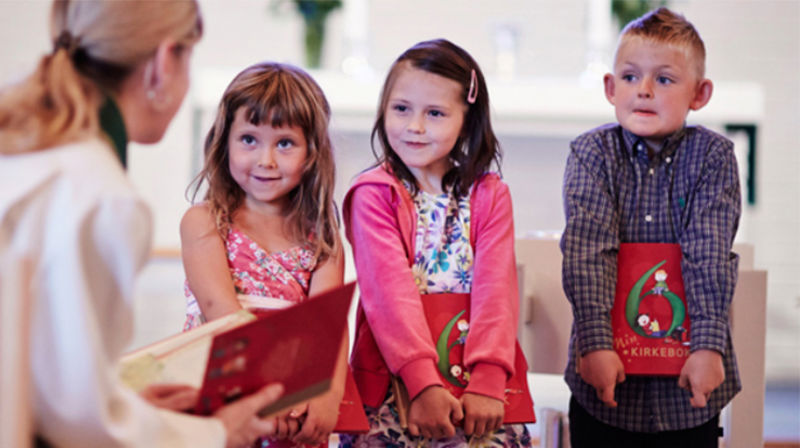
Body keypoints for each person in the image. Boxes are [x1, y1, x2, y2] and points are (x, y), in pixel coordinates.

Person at [0, 1, 285, 447]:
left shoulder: (32, 146)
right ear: (163, 63)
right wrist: (217, 432)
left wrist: (123, 401)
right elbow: (78, 420)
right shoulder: (100, 193)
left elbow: (47, 375)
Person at [560, 7, 741, 447]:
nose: (643, 90)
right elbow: (588, 254)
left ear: (699, 93)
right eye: (629, 76)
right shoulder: (592, 154)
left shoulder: (713, 158)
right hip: (604, 384)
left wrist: (708, 346)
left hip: (686, 389)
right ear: (610, 87)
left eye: (664, 79)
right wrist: (595, 344)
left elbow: (709, 253)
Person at [340, 39, 532, 447]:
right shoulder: (374, 193)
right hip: (398, 384)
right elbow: (388, 297)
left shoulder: (490, 194)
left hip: (478, 387)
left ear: (467, 119)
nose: (414, 126)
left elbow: (497, 293)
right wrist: (423, 385)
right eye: (401, 108)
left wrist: (488, 380)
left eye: (435, 113)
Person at [180, 62, 346, 448]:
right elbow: (221, 313)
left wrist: (329, 394)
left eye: (284, 143)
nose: (266, 160)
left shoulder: (323, 239)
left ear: (312, 153)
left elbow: (329, 329)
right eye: (249, 140)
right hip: (224, 397)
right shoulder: (204, 222)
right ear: (224, 142)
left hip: (295, 409)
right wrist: (268, 396)